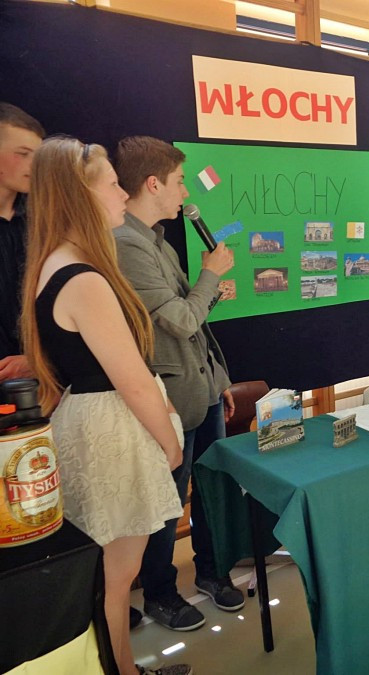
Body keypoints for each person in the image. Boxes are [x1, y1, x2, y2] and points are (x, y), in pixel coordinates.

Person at [20, 137, 190, 675]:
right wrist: (169, 444)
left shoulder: (56, 264)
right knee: (114, 582)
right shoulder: (84, 278)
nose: (122, 193)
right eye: (112, 184)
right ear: (80, 194)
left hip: (95, 424)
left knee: (109, 579)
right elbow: (132, 379)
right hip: (113, 433)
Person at [112, 136, 243, 633]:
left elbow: (192, 318)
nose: (186, 192)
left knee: (211, 488)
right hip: (168, 397)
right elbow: (181, 321)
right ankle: (161, 594)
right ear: (153, 184)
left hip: (200, 386)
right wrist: (210, 275)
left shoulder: (158, 240)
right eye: (180, 181)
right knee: (168, 501)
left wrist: (218, 378)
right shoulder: (126, 245)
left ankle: (212, 570)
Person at [0, 103, 44, 382]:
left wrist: (39, 360)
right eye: (23, 154)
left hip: (43, 386)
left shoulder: (44, 223)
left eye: (38, 157)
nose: (34, 166)